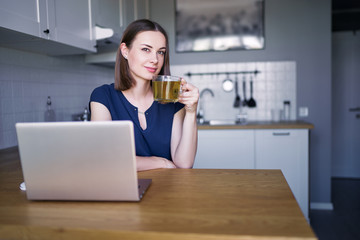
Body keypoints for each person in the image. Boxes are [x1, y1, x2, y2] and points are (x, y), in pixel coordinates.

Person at [89, 19, 199, 171]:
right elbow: (103, 160)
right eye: (146, 49)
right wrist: (160, 162)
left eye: (160, 52)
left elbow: (184, 163)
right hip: (122, 192)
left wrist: (191, 111)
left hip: (169, 192)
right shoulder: (103, 97)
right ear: (125, 51)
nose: (155, 60)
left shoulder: (173, 100)